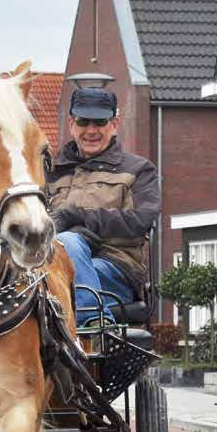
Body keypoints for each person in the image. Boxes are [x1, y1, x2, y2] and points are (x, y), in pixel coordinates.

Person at [47, 86, 160, 326]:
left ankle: (94, 324)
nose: (91, 130)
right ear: (71, 124)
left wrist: (79, 218)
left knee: (67, 249)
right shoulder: (51, 173)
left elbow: (142, 219)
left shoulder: (139, 170)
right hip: (52, 265)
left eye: (99, 122)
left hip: (115, 268)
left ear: (114, 124)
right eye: (83, 121)